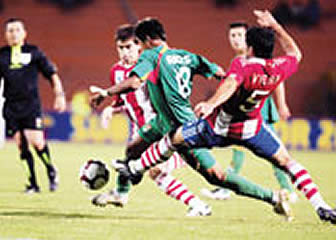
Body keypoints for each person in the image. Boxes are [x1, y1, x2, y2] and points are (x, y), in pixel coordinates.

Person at [115, 10, 336, 224]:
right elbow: (295, 53)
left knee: (173, 139)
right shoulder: (278, 68)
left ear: (249, 48)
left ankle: (134, 169)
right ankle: (321, 206)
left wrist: (211, 104)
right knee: (288, 162)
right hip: (252, 129)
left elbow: (230, 84)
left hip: (219, 128)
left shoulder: (242, 65)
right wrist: (277, 26)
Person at [91, 17, 294, 220]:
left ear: (147, 40)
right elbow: (218, 72)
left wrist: (105, 93)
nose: (139, 49)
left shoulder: (151, 55)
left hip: (183, 127)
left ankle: (273, 197)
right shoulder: (186, 56)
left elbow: (135, 82)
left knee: (216, 176)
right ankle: (121, 193)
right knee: (132, 149)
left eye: (139, 44)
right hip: (162, 122)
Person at [91, 24, 211, 216]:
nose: (124, 52)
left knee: (156, 171)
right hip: (142, 130)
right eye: (120, 48)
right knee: (129, 157)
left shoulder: (152, 66)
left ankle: (199, 205)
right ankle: (121, 195)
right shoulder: (116, 72)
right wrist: (111, 110)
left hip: (165, 127)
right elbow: (124, 100)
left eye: (129, 47)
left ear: (139, 46)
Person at [201, 22, 297, 202]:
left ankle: (287, 189)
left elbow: (278, 77)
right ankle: (227, 186)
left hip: (259, 110)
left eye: (239, 36)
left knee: (274, 153)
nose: (236, 40)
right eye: (232, 36)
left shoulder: (257, 59)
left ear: (249, 41)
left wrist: (281, 104)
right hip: (243, 113)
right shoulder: (238, 61)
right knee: (241, 147)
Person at [0, 18, 66, 193]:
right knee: (21, 145)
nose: (14, 34)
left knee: (36, 142)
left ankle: (51, 170)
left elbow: (52, 74)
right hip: (11, 107)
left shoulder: (34, 52)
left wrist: (59, 95)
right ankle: (33, 184)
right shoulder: (2, 55)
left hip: (31, 106)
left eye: (17, 30)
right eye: (10, 31)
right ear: (5, 35)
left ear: (24, 33)